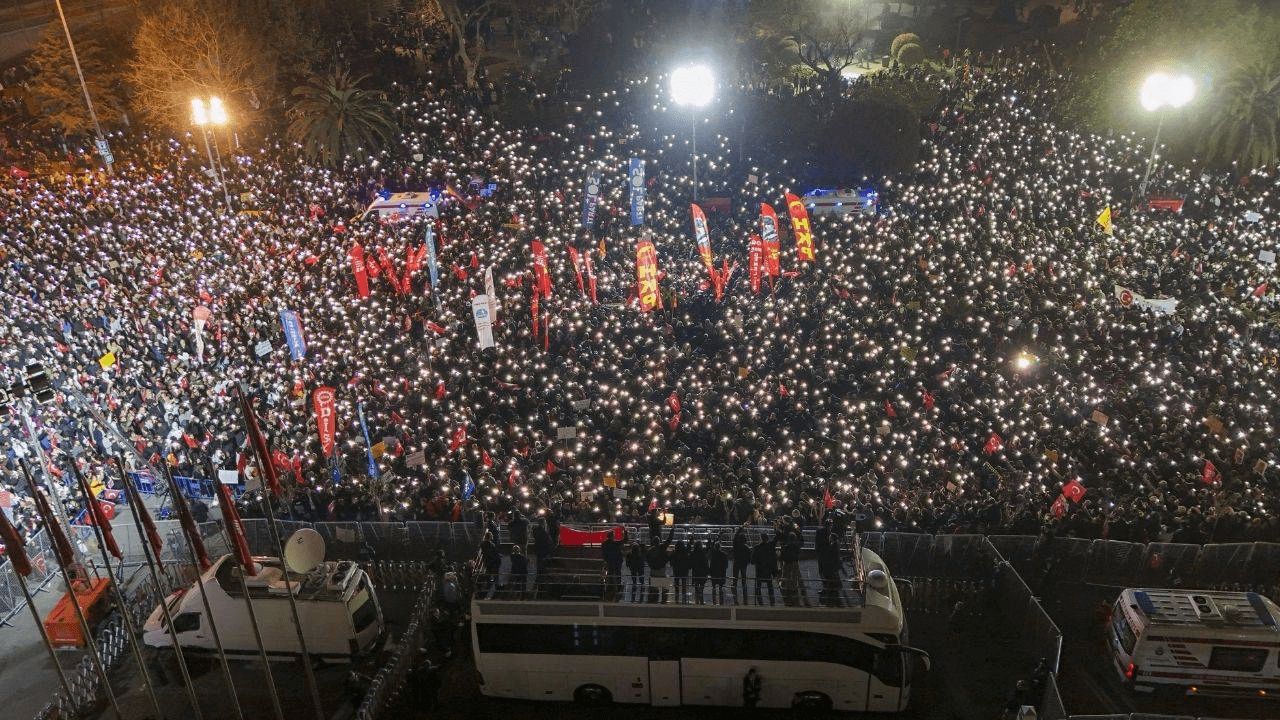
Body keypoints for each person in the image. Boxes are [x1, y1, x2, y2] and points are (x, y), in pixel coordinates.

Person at [752, 533, 778, 606]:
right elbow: (773, 560)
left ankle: (760, 603)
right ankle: (772, 603)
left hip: (759, 571)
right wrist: (775, 571)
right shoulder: (770, 547)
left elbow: (752, 561)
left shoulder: (757, 548)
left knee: (758, 587)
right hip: (768, 571)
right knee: (770, 587)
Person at [732, 524, 751, 600]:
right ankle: (744, 588)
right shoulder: (747, 548)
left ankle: (734, 587)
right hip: (743, 564)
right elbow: (749, 558)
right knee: (743, 577)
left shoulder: (736, 546)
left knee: (735, 577)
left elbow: (735, 537)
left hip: (736, 562)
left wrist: (741, 527)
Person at [709, 536, 729, 604]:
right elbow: (726, 566)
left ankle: (714, 602)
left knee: (714, 587)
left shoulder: (713, 554)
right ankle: (721, 602)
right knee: (721, 587)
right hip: (721, 573)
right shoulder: (724, 555)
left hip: (714, 573)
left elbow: (711, 565)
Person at [690, 539, 709, 605]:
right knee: (701, 588)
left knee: (696, 588)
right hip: (702, 572)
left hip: (695, 572)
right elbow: (705, 563)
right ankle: (701, 601)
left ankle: (697, 601)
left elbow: (691, 564)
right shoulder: (703, 552)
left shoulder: (693, 553)